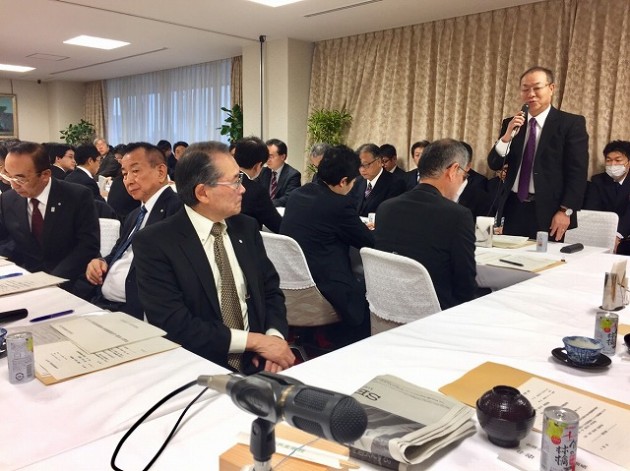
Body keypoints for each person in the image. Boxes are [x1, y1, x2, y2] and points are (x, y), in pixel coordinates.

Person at [133, 141, 294, 373]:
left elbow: (271, 291)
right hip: (197, 366)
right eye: (235, 181)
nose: (243, 189)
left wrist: (274, 337)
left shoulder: (245, 228)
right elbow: (175, 323)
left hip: (258, 362)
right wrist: (254, 342)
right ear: (202, 192)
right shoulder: (156, 242)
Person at [281, 145, 374, 343]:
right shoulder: (338, 205)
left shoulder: (298, 195)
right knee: (369, 288)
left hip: (292, 284)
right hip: (324, 288)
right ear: (343, 181)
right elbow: (368, 241)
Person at [487, 66, 589, 240]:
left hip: (550, 211)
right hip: (513, 207)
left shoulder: (570, 124)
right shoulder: (512, 123)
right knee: (511, 255)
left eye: (537, 88)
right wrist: (506, 136)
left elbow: (577, 173)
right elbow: (494, 164)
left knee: (546, 257)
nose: (531, 94)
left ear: (551, 88)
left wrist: (566, 210)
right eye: (525, 89)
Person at [375, 139, 477, 310]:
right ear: (453, 170)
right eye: (463, 176)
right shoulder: (458, 215)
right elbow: (465, 284)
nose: (462, 182)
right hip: (436, 314)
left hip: (387, 309)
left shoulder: (385, 208)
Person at [85, 142, 182, 318]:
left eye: (135, 171)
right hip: (102, 302)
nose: (128, 180)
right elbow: (118, 252)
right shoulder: (135, 215)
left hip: (136, 312)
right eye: (124, 174)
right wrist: (101, 262)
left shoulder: (177, 211)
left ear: (161, 172)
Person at [0, 141, 99, 289]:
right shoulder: (8, 199)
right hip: (24, 279)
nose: (14, 185)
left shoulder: (77, 196)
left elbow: (88, 245)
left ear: (45, 175)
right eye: (9, 177)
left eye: (20, 179)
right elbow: (5, 239)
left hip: (70, 280)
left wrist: (52, 280)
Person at [584, 140, 630, 253]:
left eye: (618, 160)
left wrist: (617, 235)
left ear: (628, 163)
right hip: (603, 233)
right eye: (608, 160)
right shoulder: (598, 181)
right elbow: (592, 210)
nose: (613, 164)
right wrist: (606, 236)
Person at [234, 136, 282, 233]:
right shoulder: (257, 191)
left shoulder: (218, 181)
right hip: (246, 239)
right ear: (258, 166)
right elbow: (277, 225)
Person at [351, 143, 405, 217]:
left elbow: (391, 213)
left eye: (366, 165)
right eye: (359, 165)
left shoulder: (396, 183)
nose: (362, 169)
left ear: (379, 162)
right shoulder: (357, 181)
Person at [257, 138, 301, 207]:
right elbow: (256, 191)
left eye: (271, 156)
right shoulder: (263, 172)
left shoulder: (293, 175)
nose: (267, 160)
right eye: (266, 156)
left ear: (283, 157)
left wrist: (266, 204)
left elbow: (288, 198)